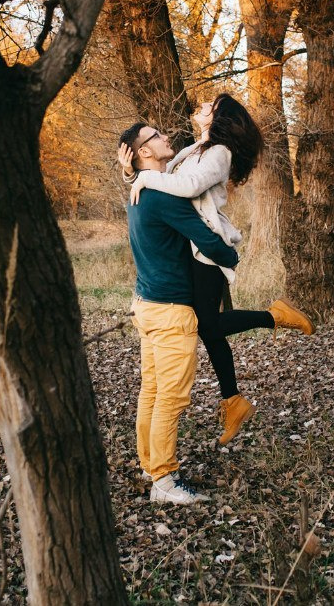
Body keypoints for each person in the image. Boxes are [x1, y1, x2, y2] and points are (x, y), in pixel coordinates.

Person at [119, 94, 315, 448]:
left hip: (207, 249)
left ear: (219, 116)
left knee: (206, 325)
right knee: (209, 328)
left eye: (209, 104)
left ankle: (274, 316)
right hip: (193, 250)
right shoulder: (197, 148)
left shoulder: (219, 152)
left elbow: (186, 187)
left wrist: (143, 180)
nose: (202, 105)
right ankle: (233, 400)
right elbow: (162, 175)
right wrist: (135, 173)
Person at [119, 121, 240, 505]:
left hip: (146, 306)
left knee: (152, 392)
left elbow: (177, 173)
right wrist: (232, 255)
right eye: (155, 136)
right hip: (171, 311)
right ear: (144, 152)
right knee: (170, 397)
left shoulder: (141, 191)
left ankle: (150, 465)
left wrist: (130, 173)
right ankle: (165, 481)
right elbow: (208, 239)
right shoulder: (162, 196)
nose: (165, 137)